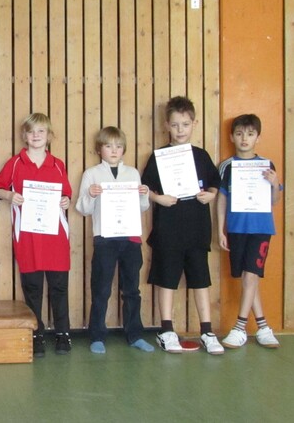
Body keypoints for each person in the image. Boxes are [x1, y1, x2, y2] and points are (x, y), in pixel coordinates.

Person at [141, 96, 224, 355]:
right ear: (167, 125)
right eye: (175, 125)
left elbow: (215, 184)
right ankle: (166, 330)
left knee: (201, 279)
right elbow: (145, 188)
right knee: (166, 279)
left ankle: (207, 331)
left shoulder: (201, 155)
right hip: (168, 230)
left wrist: (210, 195)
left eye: (185, 125)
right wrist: (158, 199)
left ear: (194, 124)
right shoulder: (158, 157)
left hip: (197, 229)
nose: (180, 130)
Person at [0, 113, 72, 357]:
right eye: (31, 131)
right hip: (27, 237)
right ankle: (36, 334)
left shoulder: (58, 164)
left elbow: (66, 194)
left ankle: (63, 334)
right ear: (24, 136)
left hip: (55, 237)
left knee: (59, 287)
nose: (36, 136)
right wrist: (9, 195)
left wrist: (66, 201)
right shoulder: (15, 163)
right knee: (33, 288)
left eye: (41, 131)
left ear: (49, 136)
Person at [76, 127, 154, 354]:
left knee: (132, 290)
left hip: (130, 237)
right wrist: (90, 194)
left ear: (124, 150)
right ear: (99, 149)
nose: (113, 150)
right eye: (108, 146)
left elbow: (142, 207)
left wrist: (143, 194)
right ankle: (97, 336)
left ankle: (135, 335)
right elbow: (82, 209)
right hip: (105, 238)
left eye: (118, 146)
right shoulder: (91, 174)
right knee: (101, 289)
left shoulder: (132, 173)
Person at [217, 114, 281, 349]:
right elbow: (221, 200)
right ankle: (263, 327)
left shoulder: (267, 164)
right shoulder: (226, 166)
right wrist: (220, 230)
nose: (245, 138)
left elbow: (274, 200)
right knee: (247, 277)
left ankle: (240, 327)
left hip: (261, 229)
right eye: (239, 133)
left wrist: (274, 184)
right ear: (232, 137)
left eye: (250, 134)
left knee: (251, 276)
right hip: (236, 229)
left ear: (258, 138)